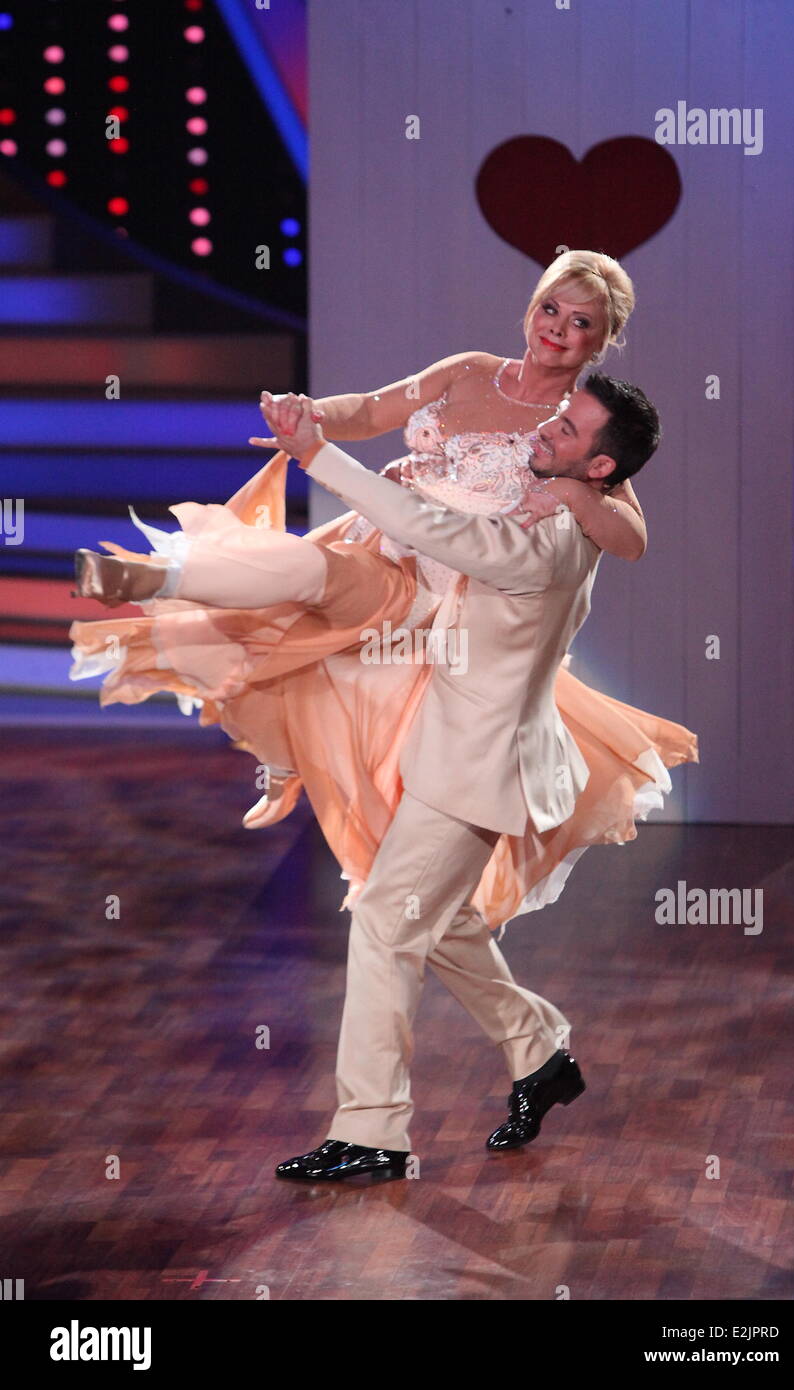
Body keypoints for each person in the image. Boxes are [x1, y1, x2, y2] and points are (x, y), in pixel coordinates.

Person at [68, 250, 697, 934]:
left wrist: (575, 491)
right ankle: (151, 576)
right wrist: (310, 417)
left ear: (602, 342)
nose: (556, 329)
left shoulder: (577, 424)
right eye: (549, 308)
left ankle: (306, 775)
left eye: (580, 322)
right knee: (302, 582)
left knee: (354, 684)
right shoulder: (469, 372)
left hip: (446, 593)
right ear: (530, 307)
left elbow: (630, 538)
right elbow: (369, 411)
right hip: (383, 539)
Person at [255, 380, 660, 1179]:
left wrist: (318, 455)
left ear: (600, 463)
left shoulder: (542, 543)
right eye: (558, 413)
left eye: (568, 428)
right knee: (436, 921)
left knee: (384, 922)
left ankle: (372, 1134)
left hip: (476, 762)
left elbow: (431, 530)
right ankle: (538, 1051)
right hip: (477, 750)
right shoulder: (562, 503)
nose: (546, 428)